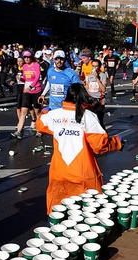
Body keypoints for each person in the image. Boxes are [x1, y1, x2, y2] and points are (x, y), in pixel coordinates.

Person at [36, 83, 124, 214]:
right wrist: (117, 142)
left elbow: (40, 125)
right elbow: (100, 145)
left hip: (60, 172)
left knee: (57, 210)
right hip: (83, 173)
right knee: (87, 211)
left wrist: (45, 111)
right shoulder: (88, 116)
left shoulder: (54, 115)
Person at [10, 51, 42, 139]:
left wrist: (31, 86)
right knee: (24, 111)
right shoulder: (24, 66)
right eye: (25, 57)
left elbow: (37, 77)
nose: (27, 59)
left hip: (36, 90)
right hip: (27, 91)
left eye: (28, 57)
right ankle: (19, 131)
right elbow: (25, 78)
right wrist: (20, 78)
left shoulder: (36, 65)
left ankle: (39, 129)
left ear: (31, 57)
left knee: (37, 111)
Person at [86, 59, 107, 128]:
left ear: (99, 67)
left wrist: (97, 78)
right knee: (91, 121)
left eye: (96, 66)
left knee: (99, 120)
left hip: (100, 100)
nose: (94, 68)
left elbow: (103, 89)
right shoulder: (89, 76)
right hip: (91, 100)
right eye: (93, 66)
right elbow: (88, 89)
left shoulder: (103, 75)